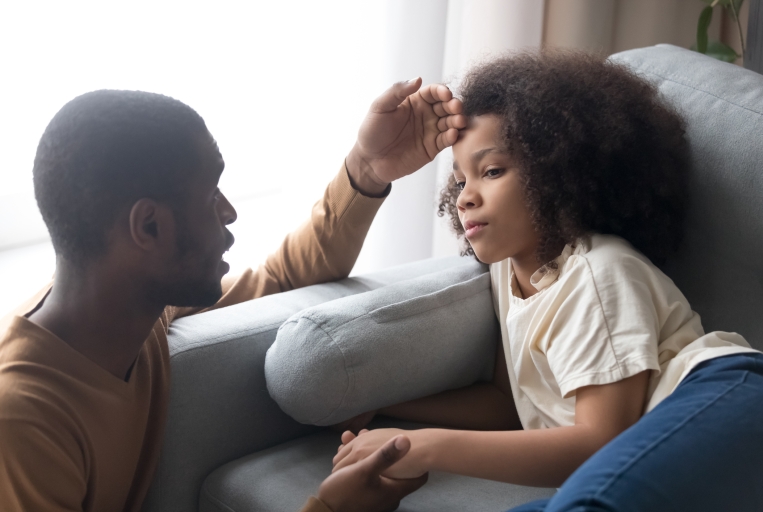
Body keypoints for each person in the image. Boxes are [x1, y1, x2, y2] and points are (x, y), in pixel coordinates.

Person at [0, 78, 464, 512]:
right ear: (149, 226)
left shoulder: (124, 309)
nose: (230, 212)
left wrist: (366, 168)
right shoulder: (22, 421)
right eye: (211, 196)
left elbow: (282, 280)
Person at [332, 51, 763, 511]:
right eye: (460, 181)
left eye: (492, 171)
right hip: (641, 463)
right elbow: (507, 404)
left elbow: (600, 441)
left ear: (558, 171)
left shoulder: (600, 273)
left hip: (724, 398)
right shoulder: (508, 273)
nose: (466, 198)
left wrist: (421, 446)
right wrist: (386, 413)